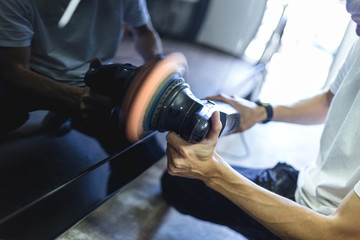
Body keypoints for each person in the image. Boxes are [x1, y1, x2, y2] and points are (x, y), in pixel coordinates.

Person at [161, 0, 360, 239]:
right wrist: (260, 112)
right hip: (308, 187)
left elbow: (338, 234)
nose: (350, 7)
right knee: (177, 184)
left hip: (323, 224)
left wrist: (213, 173)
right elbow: (328, 101)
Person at [0, 0, 162, 152]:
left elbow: (145, 33)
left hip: (96, 80)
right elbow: (14, 70)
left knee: (142, 148)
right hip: (35, 82)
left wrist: (155, 62)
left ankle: (68, 114)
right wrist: (76, 98)